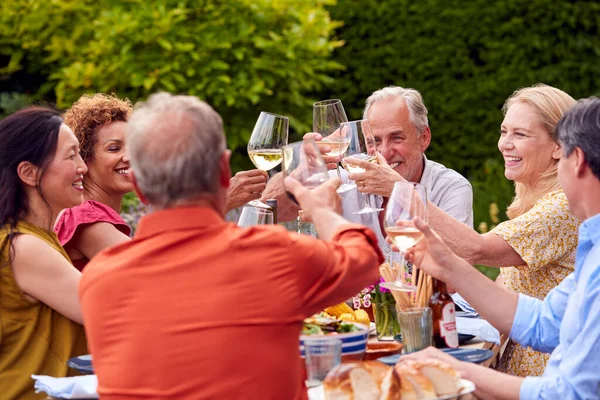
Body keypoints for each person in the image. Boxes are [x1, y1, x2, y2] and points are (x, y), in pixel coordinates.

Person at [79, 93, 384, 400]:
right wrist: (320, 209)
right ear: (224, 171)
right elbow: (365, 258)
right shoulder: (272, 256)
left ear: (139, 186)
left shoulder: (98, 281)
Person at [400, 96, 600, 400]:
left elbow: (568, 393)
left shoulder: (565, 215)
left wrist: (456, 370)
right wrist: (448, 266)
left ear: (576, 160)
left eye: (519, 134)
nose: (505, 143)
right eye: (504, 131)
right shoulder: (592, 243)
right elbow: (543, 322)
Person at [55, 93, 269, 271]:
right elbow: (154, 268)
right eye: (114, 148)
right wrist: (218, 203)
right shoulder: (83, 217)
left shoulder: (101, 215)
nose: (129, 156)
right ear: (84, 158)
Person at [262, 87, 473, 260]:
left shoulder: (451, 187)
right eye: (375, 141)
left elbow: (461, 263)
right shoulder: (346, 178)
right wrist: (299, 169)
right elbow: (271, 212)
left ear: (424, 138)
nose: (384, 152)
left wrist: (398, 189)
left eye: (397, 138)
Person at [0, 107, 88, 400]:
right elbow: (109, 312)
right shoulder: (22, 247)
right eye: (71, 155)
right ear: (28, 172)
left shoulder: (36, 238)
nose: (83, 167)